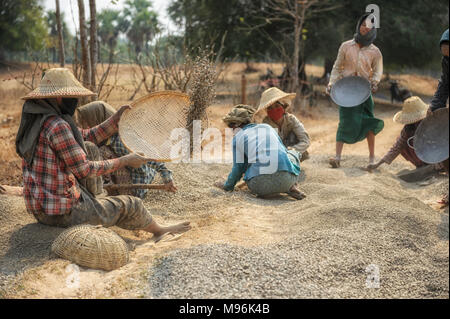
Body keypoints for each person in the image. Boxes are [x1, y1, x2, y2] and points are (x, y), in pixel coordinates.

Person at [15, 68, 190, 240]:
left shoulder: (37, 121)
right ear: (59, 97)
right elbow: (84, 170)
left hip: (41, 210)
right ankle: (159, 230)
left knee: (89, 147)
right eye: (73, 97)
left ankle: (97, 201)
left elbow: (85, 136)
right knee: (131, 204)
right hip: (63, 213)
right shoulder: (57, 126)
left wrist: (116, 119)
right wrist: (124, 161)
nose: (75, 101)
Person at [74, 101, 177, 198]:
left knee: (100, 151)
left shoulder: (122, 140)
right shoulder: (107, 140)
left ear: (98, 120)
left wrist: (167, 178)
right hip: (130, 178)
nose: (86, 127)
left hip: (134, 188)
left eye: (87, 122)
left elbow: (152, 158)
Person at [327, 13, 384, 168]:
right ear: (359, 25)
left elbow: (378, 71)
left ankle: (372, 158)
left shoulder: (375, 51)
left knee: (368, 122)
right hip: (345, 91)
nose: (365, 28)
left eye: (369, 26)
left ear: (373, 30)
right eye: (363, 24)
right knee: (344, 121)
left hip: (365, 92)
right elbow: (337, 67)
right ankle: (337, 157)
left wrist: (375, 82)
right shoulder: (346, 46)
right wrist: (331, 83)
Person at [214, 104, 306, 200]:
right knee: (293, 153)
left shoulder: (237, 138)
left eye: (230, 127)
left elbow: (238, 169)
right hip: (287, 180)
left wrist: (227, 186)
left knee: (251, 165)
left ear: (235, 126)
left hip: (258, 186)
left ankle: (270, 189)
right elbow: (283, 152)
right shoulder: (268, 127)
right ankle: (291, 186)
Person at [367, 97, 428, 170]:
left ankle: (435, 165)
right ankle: (421, 165)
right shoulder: (408, 129)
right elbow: (397, 147)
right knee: (403, 144)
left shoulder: (431, 122)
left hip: (437, 156)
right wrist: (378, 164)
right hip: (422, 157)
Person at [427, 28, 449, 206]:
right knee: (445, 147)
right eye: (445, 54)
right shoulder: (446, 61)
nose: (448, 56)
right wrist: (435, 105)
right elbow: (444, 84)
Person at [259, 87, 311, 161]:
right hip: (274, 156)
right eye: (270, 108)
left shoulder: (291, 120)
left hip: (292, 152)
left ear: (284, 107)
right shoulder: (266, 124)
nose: (274, 110)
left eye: (277, 106)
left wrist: (291, 151)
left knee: (293, 136)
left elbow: (305, 141)